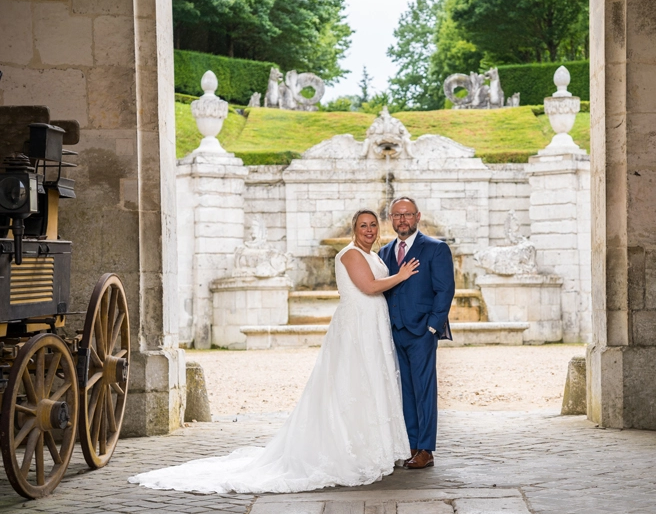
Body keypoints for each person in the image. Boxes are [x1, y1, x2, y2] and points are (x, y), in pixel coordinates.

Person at [128, 210, 419, 493]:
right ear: (354, 229)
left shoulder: (373, 255)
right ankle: (353, 451)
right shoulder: (351, 253)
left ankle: (374, 447)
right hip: (357, 328)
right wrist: (402, 275)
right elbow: (368, 286)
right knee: (354, 383)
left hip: (373, 326)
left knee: (371, 384)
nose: (368, 230)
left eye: (372, 225)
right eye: (362, 226)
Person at [379, 197, 455, 470]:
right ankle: (411, 444)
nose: (403, 220)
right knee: (405, 391)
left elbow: (445, 290)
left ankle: (426, 448)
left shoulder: (435, 249)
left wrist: (432, 327)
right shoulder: (384, 252)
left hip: (422, 331)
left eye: (407, 215)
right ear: (391, 219)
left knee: (424, 390)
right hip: (394, 331)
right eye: (397, 216)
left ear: (417, 216)